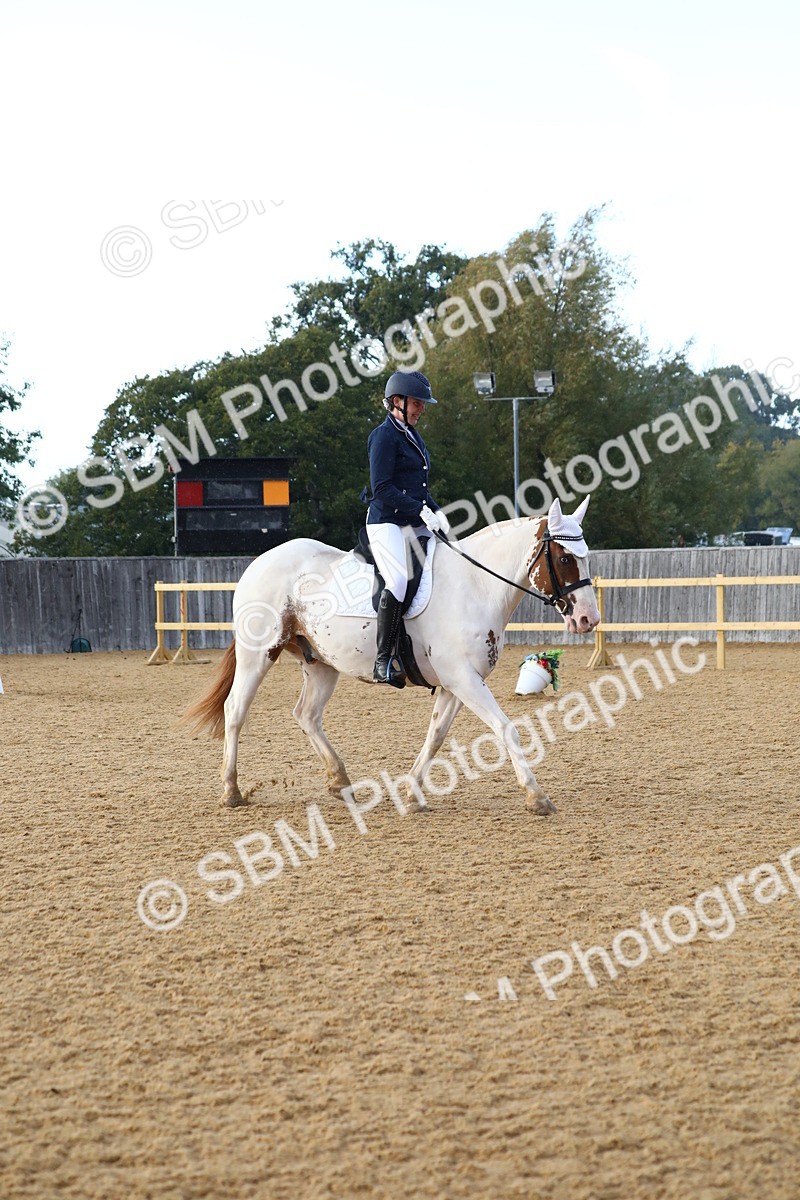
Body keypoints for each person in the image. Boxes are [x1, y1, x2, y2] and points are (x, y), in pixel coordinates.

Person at [365, 370, 449, 686]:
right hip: (386, 521)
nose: (421, 409)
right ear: (397, 402)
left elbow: (420, 488)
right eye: (417, 403)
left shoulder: (412, 435)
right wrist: (419, 510)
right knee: (398, 580)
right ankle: (383, 660)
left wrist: (437, 514)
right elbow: (382, 488)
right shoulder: (383, 436)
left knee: (447, 561)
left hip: (413, 521)